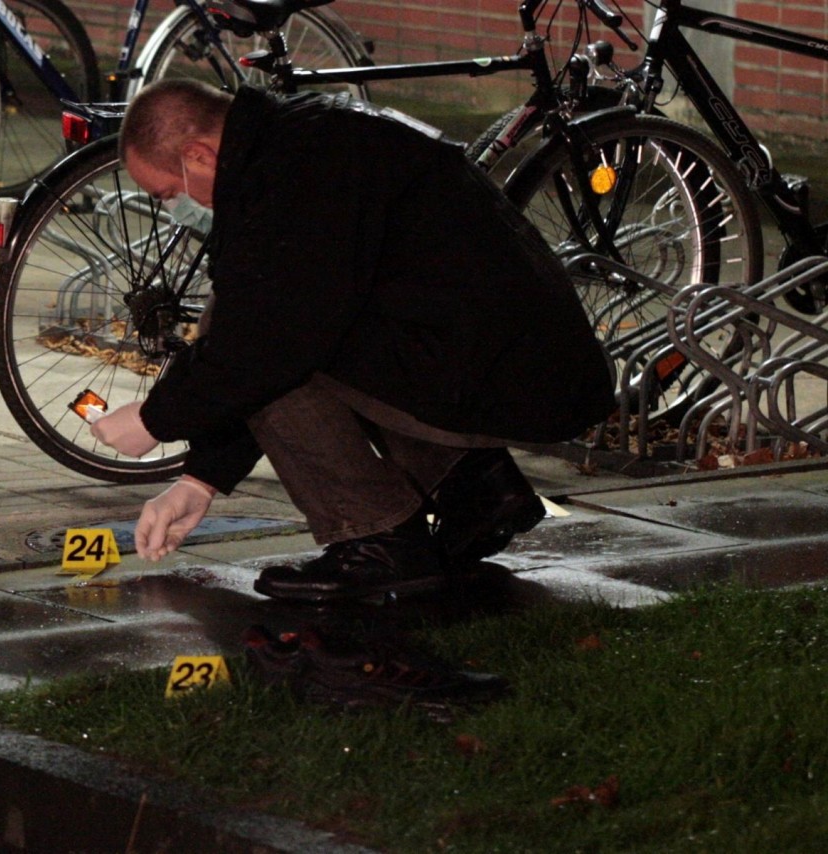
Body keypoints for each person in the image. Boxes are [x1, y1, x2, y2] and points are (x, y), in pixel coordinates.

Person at [89, 79, 616, 603]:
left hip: (511, 373)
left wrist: (154, 420)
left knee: (269, 344)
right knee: (256, 325)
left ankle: (376, 540)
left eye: (168, 193)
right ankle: (475, 486)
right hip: (518, 361)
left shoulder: (298, 176)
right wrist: (200, 480)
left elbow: (267, 344)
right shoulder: (300, 141)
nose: (175, 208)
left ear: (198, 155)